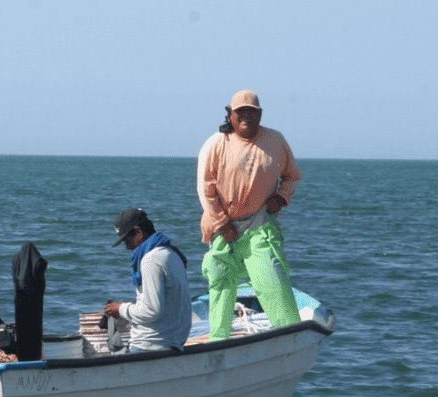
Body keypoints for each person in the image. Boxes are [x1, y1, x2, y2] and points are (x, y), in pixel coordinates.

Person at [197, 89, 302, 341]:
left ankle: (289, 333)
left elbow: (292, 176)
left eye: (252, 112)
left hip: (259, 223)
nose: (246, 116)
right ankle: (219, 338)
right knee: (221, 280)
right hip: (223, 226)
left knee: (269, 276)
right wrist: (222, 223)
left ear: (260, 114)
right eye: (241, 111)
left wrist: (281, 197)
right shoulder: (216, 143)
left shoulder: (275, 141)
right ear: (231, 115)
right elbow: (205, 188)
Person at [102, 208, 193, 352]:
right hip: (174, 340)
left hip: (150, 345)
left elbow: (152, 310)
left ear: (138, 231)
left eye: (126, 239)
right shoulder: (171, 253)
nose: (127, 247)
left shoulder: (150, 260)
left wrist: (121, 308)